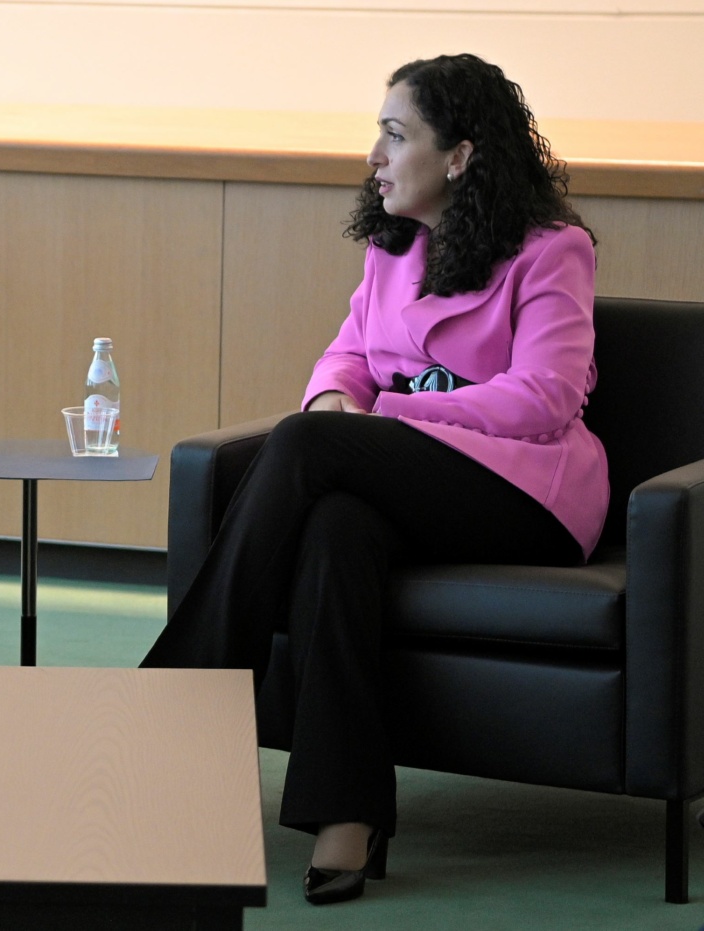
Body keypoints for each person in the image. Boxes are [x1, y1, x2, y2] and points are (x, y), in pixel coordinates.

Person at [142, 53, 606, 905]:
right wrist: (335, 400)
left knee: (307, 447)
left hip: (526, 492)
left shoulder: (553, 250)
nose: (374, 156)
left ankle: (171, 709)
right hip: (413, 479)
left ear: (459, 156)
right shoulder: (395, 249)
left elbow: (546, 395)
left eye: (396, 135)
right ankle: (347, 813)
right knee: (336, 527)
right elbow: (347, 355)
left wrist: (388, 414)